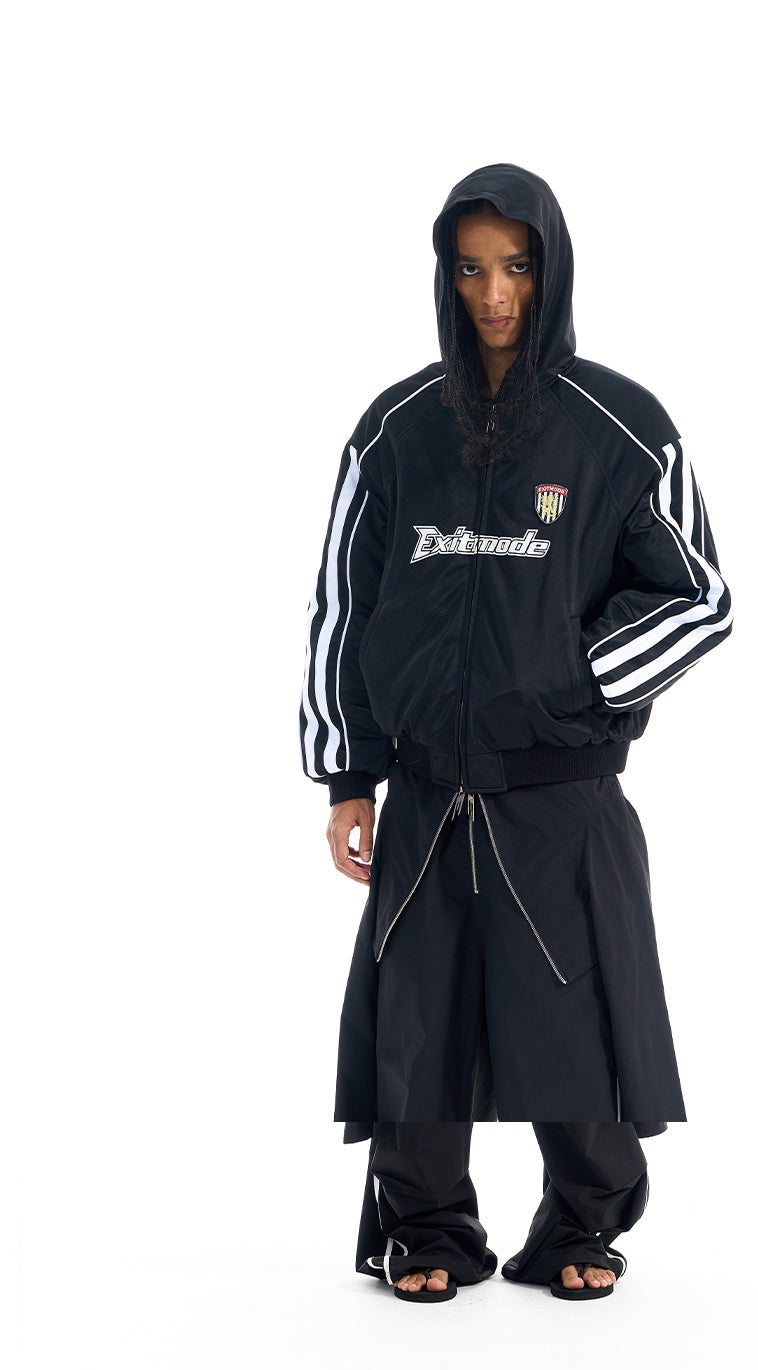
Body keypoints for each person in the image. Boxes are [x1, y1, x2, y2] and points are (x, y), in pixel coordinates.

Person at [299, 163, 733, 1299]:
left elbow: (699, 595)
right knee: (418, 1021)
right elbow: (343, 605)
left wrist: (574, 676)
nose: (495, 294)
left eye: (517, 266)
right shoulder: (395, 430)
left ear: (553, 268)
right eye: (471, 269)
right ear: (445, 277)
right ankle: (428, 1228)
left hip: (561, 789)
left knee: (573, 1007)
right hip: (424, 783)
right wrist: (347, 775)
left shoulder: (620, 427)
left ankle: (583, 1224)